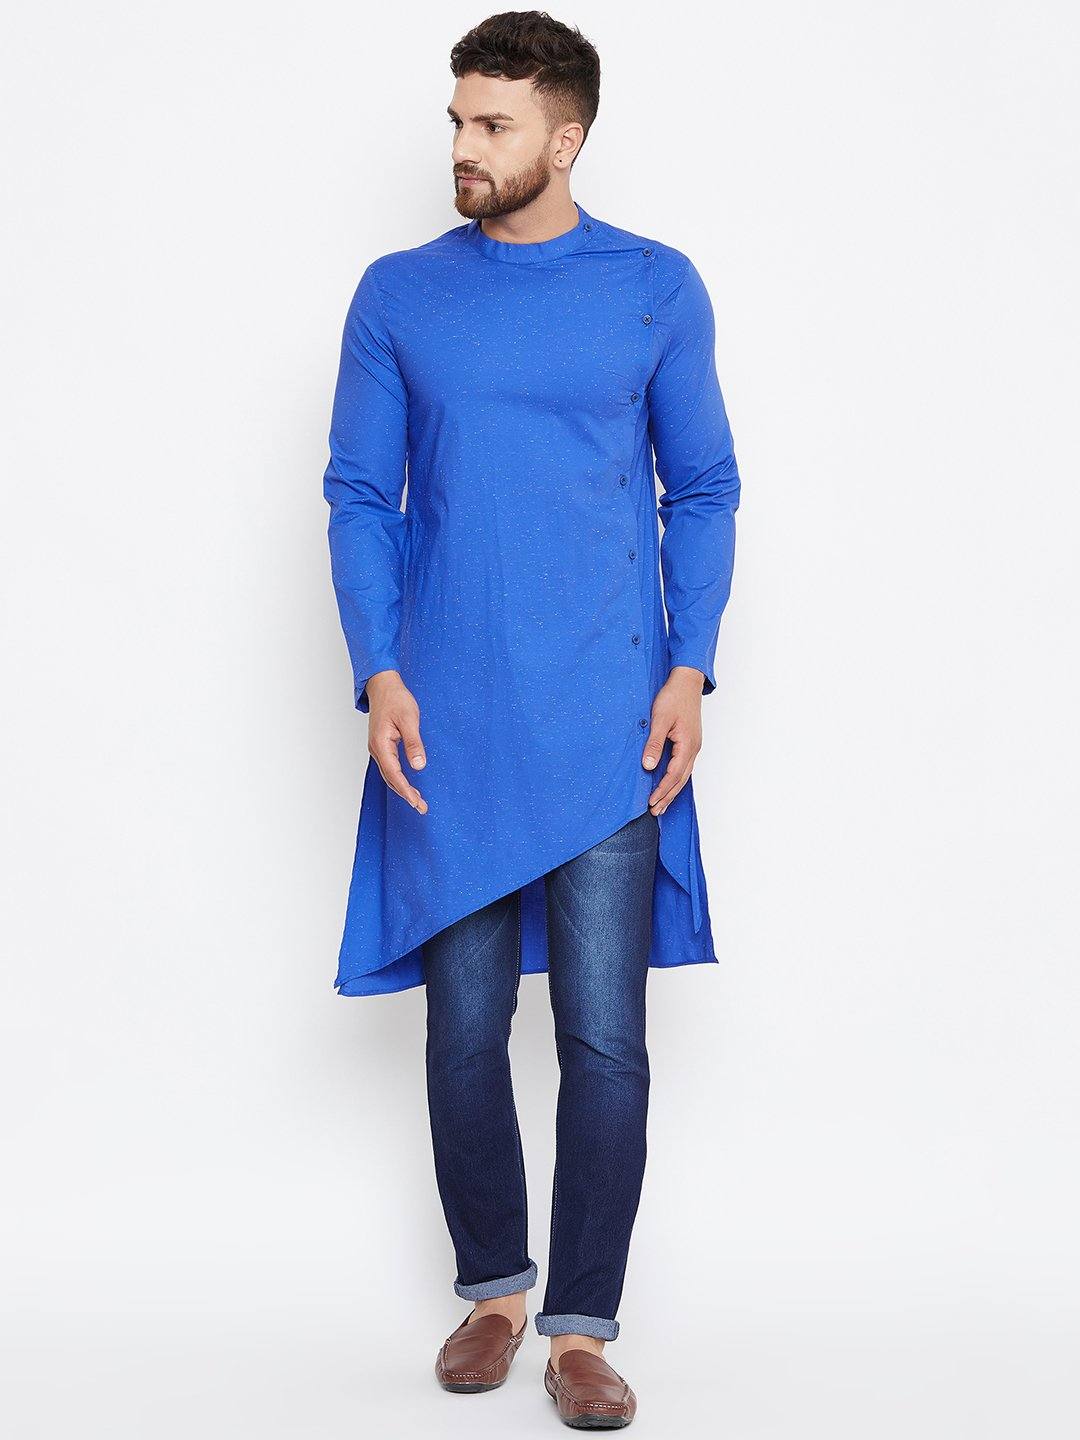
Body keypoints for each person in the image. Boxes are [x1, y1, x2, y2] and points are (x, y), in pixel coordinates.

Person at [322, 10, 741, 1428]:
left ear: (567, 138)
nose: (463, 145)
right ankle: (494, 1292)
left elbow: (706, 486)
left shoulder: (653, 287)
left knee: (606, 1042)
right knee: (461, 1034)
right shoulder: (398, 294)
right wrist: (379, 667)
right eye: (457, 119)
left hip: (612, 725)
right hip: (444, 726)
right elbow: (359, 495)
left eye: (492, 124)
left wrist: (690, 669)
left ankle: (580, 1327)